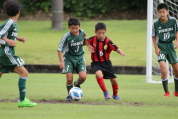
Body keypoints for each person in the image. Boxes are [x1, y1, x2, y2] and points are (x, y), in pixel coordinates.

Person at [0, 0, 37, 107]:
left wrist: (17, 38)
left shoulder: (12, 23)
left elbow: (6, 34)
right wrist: (8, 41)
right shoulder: (10, 23)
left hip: (4, 52)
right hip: (7, 52)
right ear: (19, 12)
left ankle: (22, 99)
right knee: (24, 73)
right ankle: (22, 100)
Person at [57, 17, 93, 101]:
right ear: (69, 28)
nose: (75, 30)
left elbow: (84, 41)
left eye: (76, 28)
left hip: (80, 57)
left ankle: (76, 85)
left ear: (79, 27)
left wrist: (88, 45)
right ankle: (70, 96)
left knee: (83, 77)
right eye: (72, 28)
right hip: (69, 58)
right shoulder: (66, 37)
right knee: (69, 79)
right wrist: (61, 62)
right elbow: (59, 50)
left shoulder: (82, 33)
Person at [87, 22, 126, 100]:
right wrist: (88, 45)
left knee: (114, 80)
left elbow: (115, 47)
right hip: (96, 63)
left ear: (105, 32)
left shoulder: (108, 41)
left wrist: (120, 51)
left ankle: (115, 95)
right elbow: (84, 41)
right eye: (99, 33)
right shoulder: (92, 39)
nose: (101, 35)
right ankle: (106, 92)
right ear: (95, 32)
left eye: (103, 33)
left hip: (107, 63)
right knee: (98, 74)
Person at [152, 3, 178, 97]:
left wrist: (177, 41)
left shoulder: (173, 20)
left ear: (167, 12)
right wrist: (156, 48)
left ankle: (176, 91)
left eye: (163, 12)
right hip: (161, 47)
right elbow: (153, 36)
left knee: (176, 71)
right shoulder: (155, 23)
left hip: (170, 47)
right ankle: (166, 92)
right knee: (164, 70)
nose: (162, 14)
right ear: (158, 13)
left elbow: (176, 31)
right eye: (160, 12)